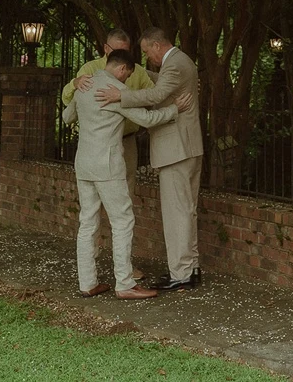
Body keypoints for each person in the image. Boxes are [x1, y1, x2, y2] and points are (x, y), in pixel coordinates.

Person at [62, 49, 191, 300]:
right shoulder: (116, 92)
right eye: (128, 75)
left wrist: (76, 87)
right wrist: (175, 109)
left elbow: (67, 117)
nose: (126, 80)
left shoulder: (84, 84)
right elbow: (147, 119)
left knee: (87, 222)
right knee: (122, 221)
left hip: (84, 163)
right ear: (123, 69)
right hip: (108, 165)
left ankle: (87, 283)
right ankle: (125, 283)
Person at [95, 27, 203, 291]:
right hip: (186, 147)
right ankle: (190, 268)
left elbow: (156, 95)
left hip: (176, 149)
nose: (146, 56)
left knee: (177, 212)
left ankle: (181, 273)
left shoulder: (174, 64)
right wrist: (142, 73)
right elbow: (161, 82)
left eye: (146, 51)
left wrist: (120, 95)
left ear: (156, 46)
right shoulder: (180, 62)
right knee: (186, 209)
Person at [61, 28, 153, 200]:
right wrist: (74, 83)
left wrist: (127, 97)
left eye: (125, 51)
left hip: (127, 140)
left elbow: (153, 95)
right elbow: (69, 102)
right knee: (95, 198)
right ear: (105, 48)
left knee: (126, 192)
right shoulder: (90, 68)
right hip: (96, 144)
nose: (121, 55)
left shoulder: (137, 71)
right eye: (116, 50)